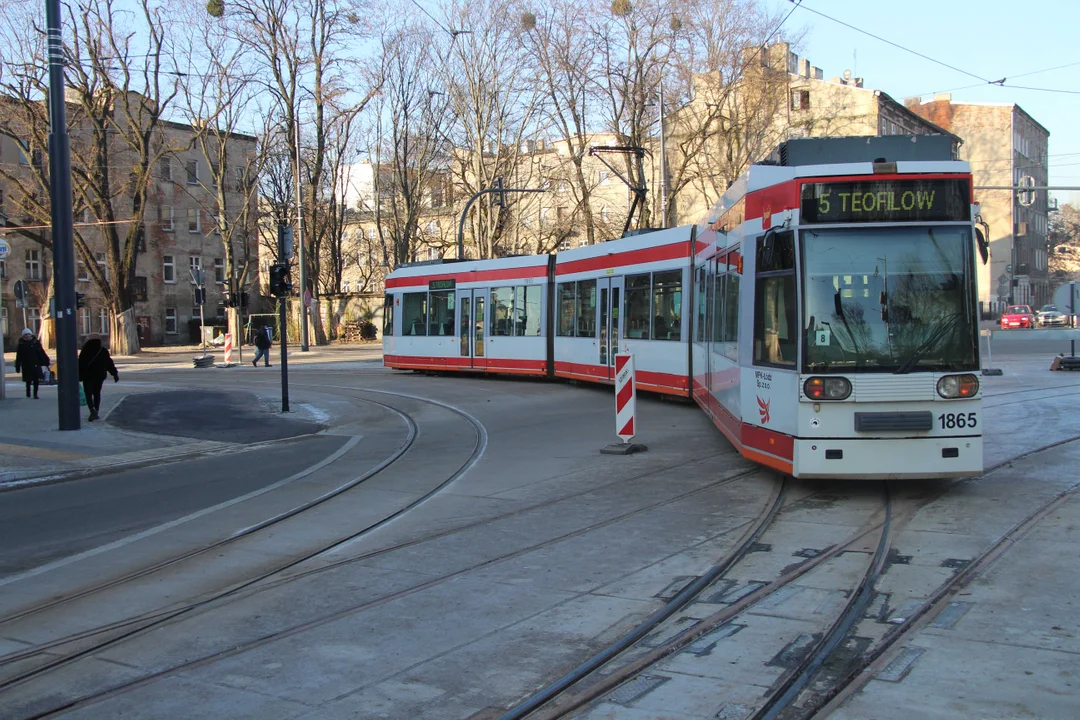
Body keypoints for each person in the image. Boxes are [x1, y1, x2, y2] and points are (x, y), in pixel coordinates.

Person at [78, 337, 119, 422]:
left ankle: (92, 409)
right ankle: (96, 410)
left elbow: (80, 364)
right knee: (97, 393)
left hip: (87, 376)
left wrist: (78, 375)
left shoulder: (85, 351)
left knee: (88, 394)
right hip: (99, 376)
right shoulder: (103, 351)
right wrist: (114, 374)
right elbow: (109, 363)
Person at [14, 328, 49, 399]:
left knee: (36, 380)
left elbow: (41, 353)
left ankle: (35, 394)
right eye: (25, 335)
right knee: (28, 380)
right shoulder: (21, 345)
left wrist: (46, 361)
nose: (27, 336)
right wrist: (17, 366)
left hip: (36, 364)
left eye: (28, 334)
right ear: (23, 336)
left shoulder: (36, 343)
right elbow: (18, 356)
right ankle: (28, 392)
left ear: (31, 335)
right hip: (26, 365)